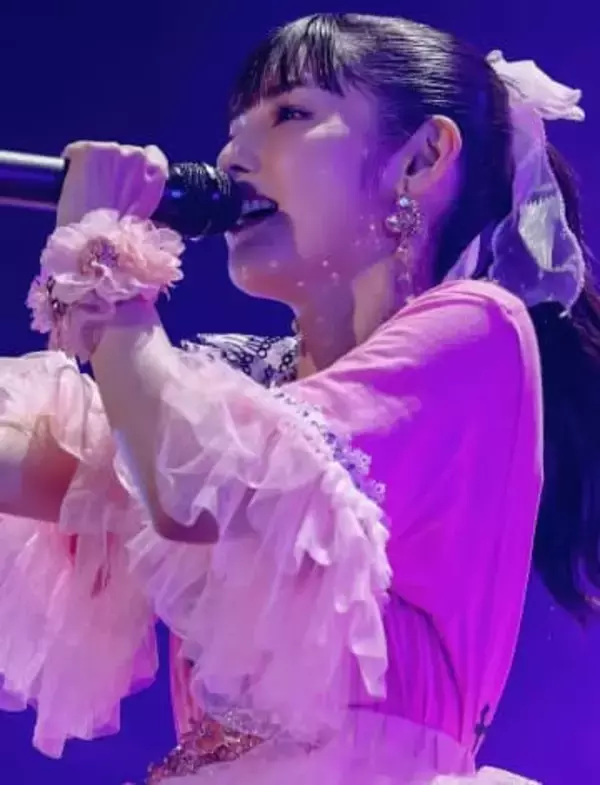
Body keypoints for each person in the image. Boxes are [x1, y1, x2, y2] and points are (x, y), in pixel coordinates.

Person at [0, 11, 595, 785]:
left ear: (421, 159)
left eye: (289, 114)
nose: (230, 157)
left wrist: (103, 261)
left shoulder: (477, 334)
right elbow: (45, 469)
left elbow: (190, 490)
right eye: (233, 130)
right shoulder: (242, 391)